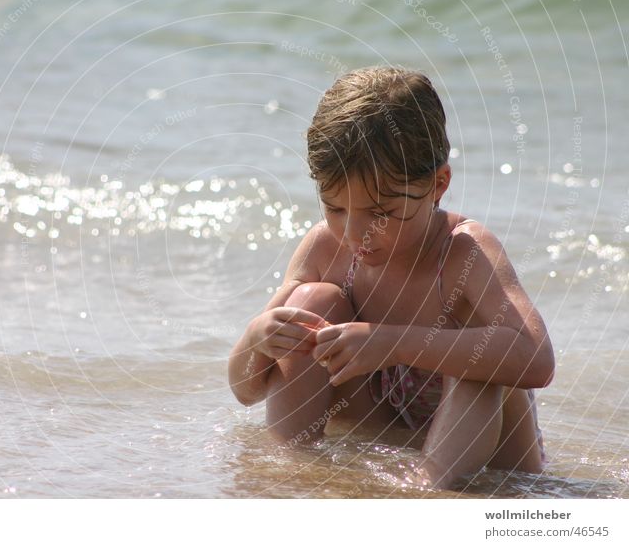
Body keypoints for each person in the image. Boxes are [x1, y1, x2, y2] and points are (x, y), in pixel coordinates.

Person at [227, 66, 554, 490]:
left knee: (480, 354)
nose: (354, 233)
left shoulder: (462, 252)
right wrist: (257, 338)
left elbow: (537, 358)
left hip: (490, 458)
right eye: (336, 208)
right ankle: (289, 465)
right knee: (310, 304)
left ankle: (429, 493)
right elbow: (246, 390)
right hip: (382, 433)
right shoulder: (326, 249)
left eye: (381, 214)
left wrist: (391, 340)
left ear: (439, 184)